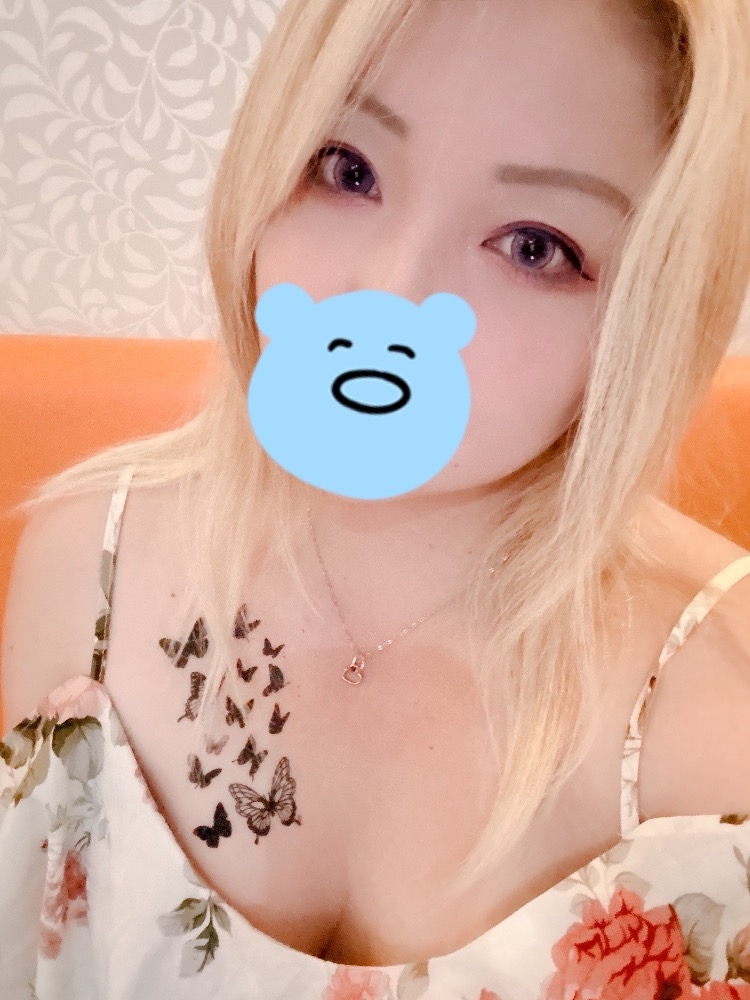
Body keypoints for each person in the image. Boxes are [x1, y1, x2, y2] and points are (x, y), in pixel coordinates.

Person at [2, 0, 750, 996]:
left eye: (534, 245)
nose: (385, 299)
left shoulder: (723, 705)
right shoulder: (84, 563)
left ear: (652, 312)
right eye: (346, 168)